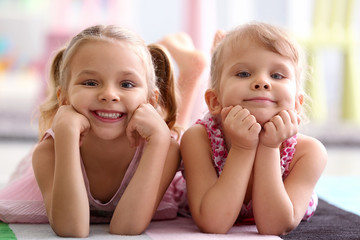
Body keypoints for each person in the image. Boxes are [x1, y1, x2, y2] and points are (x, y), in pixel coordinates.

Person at [180, 22, 327, 235]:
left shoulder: (309, 153)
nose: (261, 82)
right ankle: (193, 71)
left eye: (277, 76)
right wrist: (242, 148)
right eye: (243, 74)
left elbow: (274, 226)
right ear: (214, 101)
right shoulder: (198, 138)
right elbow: (213, 224)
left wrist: (269, 147)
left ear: (296, 104)